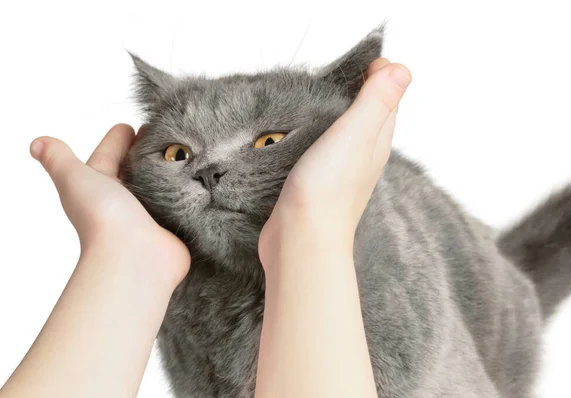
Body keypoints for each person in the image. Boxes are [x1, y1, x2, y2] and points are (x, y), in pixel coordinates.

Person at [0, 58, 411, 398]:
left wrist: (312, 227)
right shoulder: (177, 304)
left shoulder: (408, 299)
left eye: (268, 141)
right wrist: (121, 251)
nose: (207, 170)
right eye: (179, 153)